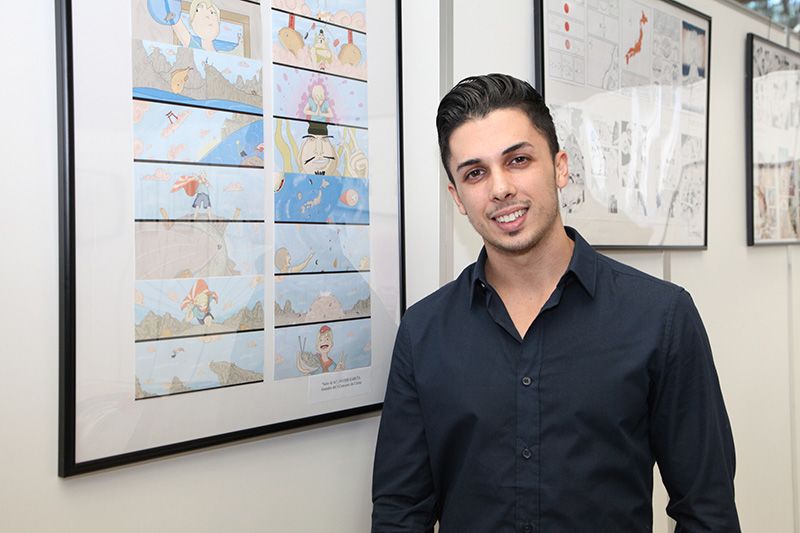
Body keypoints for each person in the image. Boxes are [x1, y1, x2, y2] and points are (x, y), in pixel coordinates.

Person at [371, 74, 739, 532]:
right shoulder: (423, 331)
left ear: (560, 168)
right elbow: (400, 512)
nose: (500, 188)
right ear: (458, 198)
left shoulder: (660, 317)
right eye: (475, 173)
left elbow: (707, 509)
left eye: (518, 160)